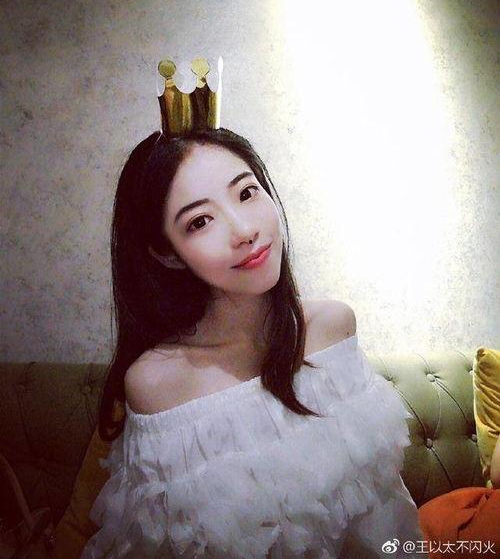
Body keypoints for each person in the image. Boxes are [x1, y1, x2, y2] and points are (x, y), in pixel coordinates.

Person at [79, 58, 424, 558]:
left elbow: (386, 518)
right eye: (200, 221)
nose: (244, 229)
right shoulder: (157, 383)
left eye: (246, 192)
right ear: (167, 253)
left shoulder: (333, 328)